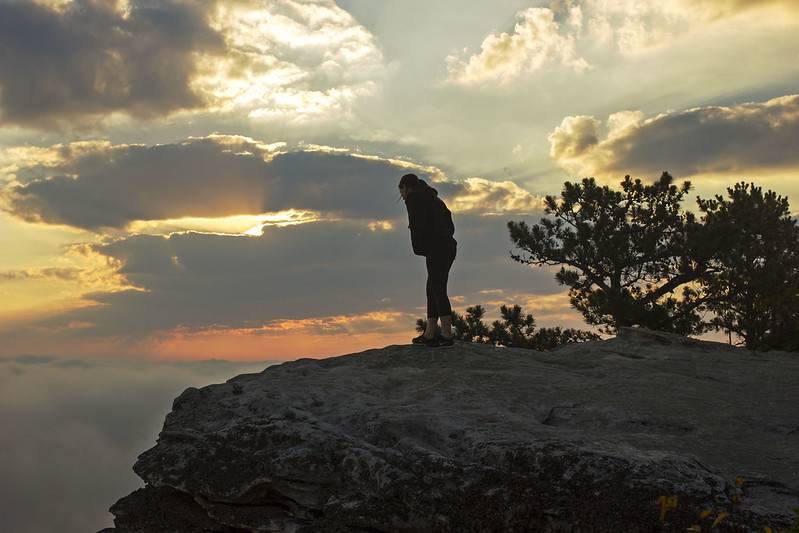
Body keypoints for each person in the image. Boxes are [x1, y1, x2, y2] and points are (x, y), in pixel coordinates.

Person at [398, 173, 457, 348]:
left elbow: (418, 223)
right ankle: (430, 333)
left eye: (400, 189)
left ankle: (446, 335)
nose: (401, 195)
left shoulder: (414, 197)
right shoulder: (434, 199)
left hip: (438, 247)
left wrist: (420, 245)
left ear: (405, 187)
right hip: (447, 246)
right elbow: (450, 225)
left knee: (437, 288)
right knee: (432, 287)